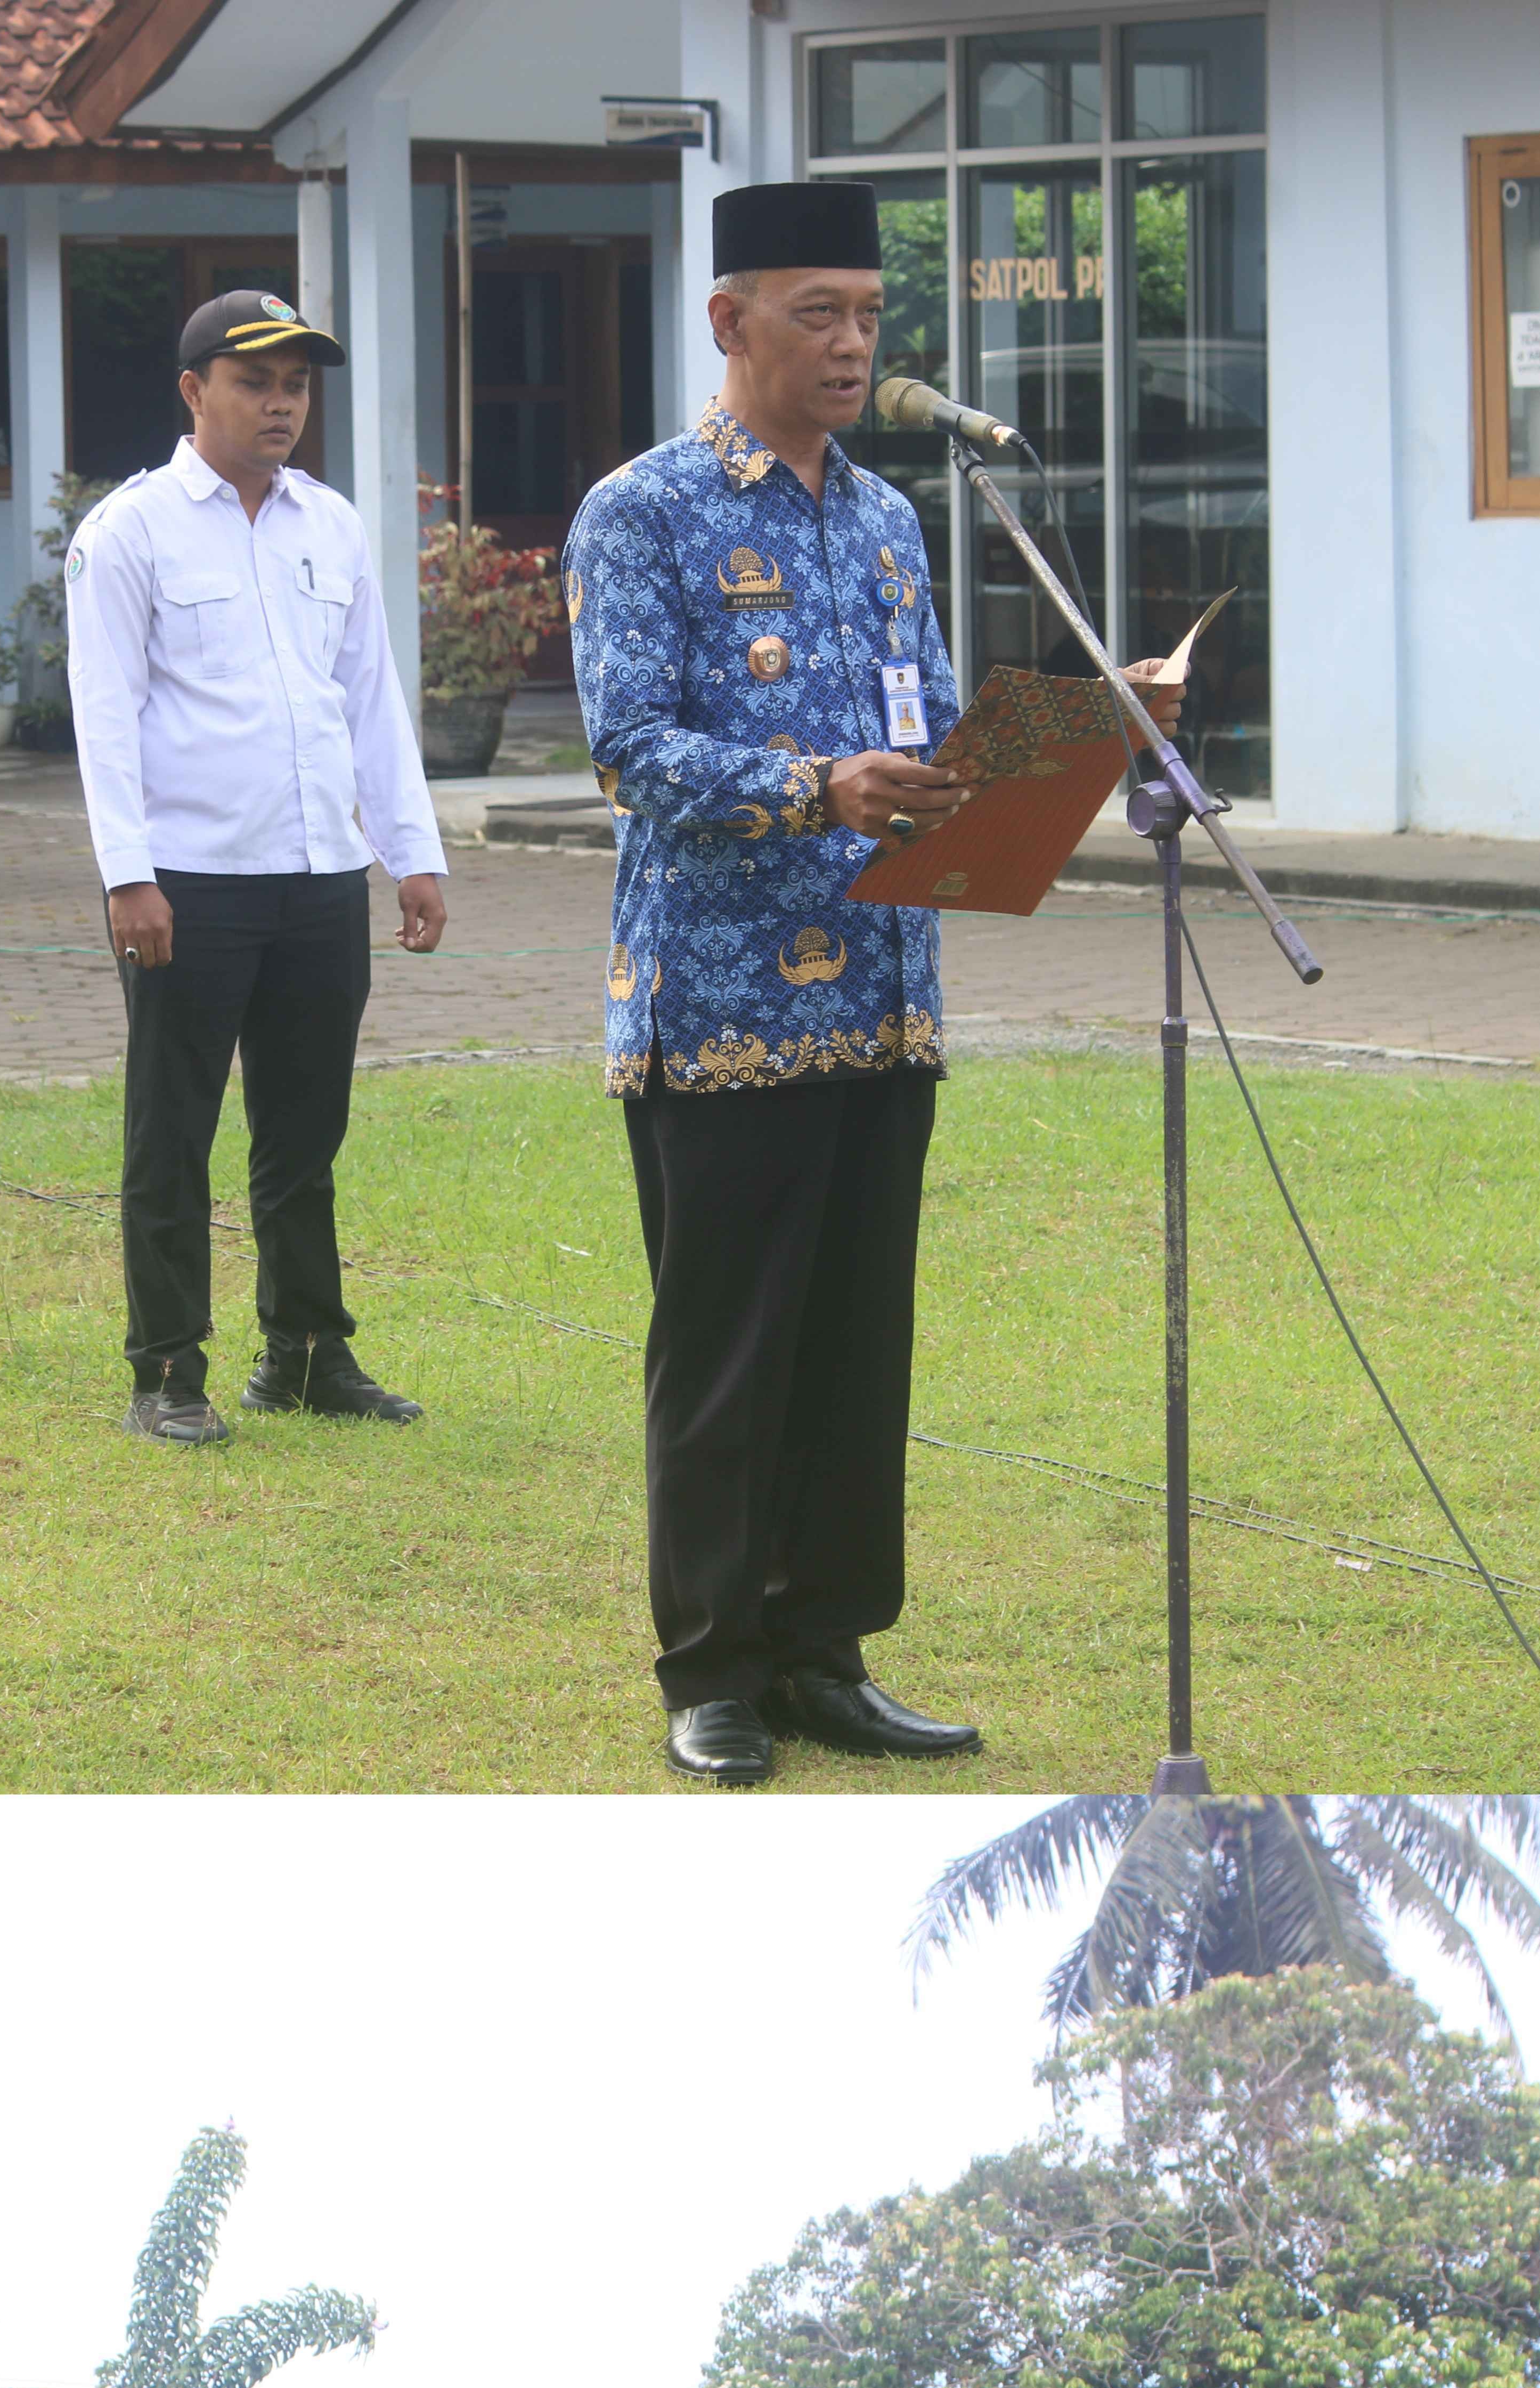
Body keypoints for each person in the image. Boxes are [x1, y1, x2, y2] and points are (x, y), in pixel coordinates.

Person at [564, 184, 980, 1785]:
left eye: (868, 316)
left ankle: (824, 1648)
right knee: (728, 1349)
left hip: (882, 990)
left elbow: (927, 716)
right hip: (721, 1000)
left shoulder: (884, 518)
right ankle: (712, 1665)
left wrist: (1041, 744)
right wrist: (822, 787)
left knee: (853, 1343)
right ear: (731, 323)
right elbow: (634, 750)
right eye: (818, 313)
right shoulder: (641, 512)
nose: (854, 344)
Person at [64, 286, 444, 1447]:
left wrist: (410, 852)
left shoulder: (329, 524)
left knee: (304, 1130)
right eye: (254, 383)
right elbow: (106, 714)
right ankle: (168, 1370)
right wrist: (128, 876)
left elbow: (370, 702)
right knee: (171, 1131)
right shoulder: (127, 532)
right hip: (190, 879)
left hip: (318, 872)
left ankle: (309, 1353)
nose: (281, 406)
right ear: (194, 393)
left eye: (296, 386)